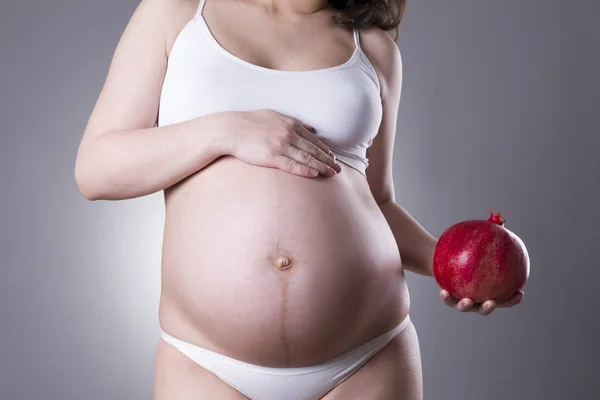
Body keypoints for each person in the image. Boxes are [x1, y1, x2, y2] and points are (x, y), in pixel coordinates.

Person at [74, 0, 524, 398]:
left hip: (367, 357)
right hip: (207, 364)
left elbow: (380, 201)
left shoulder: (373, 48)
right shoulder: (178, 15)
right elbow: (96, 168)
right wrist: (224, 131)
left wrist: (455, 267)